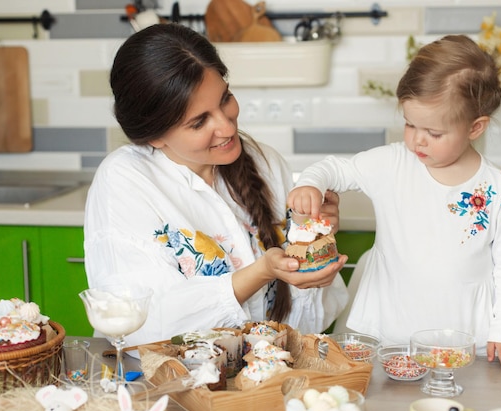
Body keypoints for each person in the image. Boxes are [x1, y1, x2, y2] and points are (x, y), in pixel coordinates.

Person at [83, 23, 349, 348]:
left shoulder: (266, 163)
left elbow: (305, 326)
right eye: (199, 121)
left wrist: (312, 244)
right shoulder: (124, 180)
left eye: (225, 99)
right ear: (154, 136)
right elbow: (143, 326)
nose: (226, 126)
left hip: (263, 383)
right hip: (162, 391)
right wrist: (263, 271)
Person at [287, 35, 501, 374]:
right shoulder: (393, 163)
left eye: (433, 132)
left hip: (464, 340)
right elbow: (334, 168)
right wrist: (310, 183)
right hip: (387, 333)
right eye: (409, 124)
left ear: (475, 127)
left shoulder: (499, 189)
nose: (417, 139)